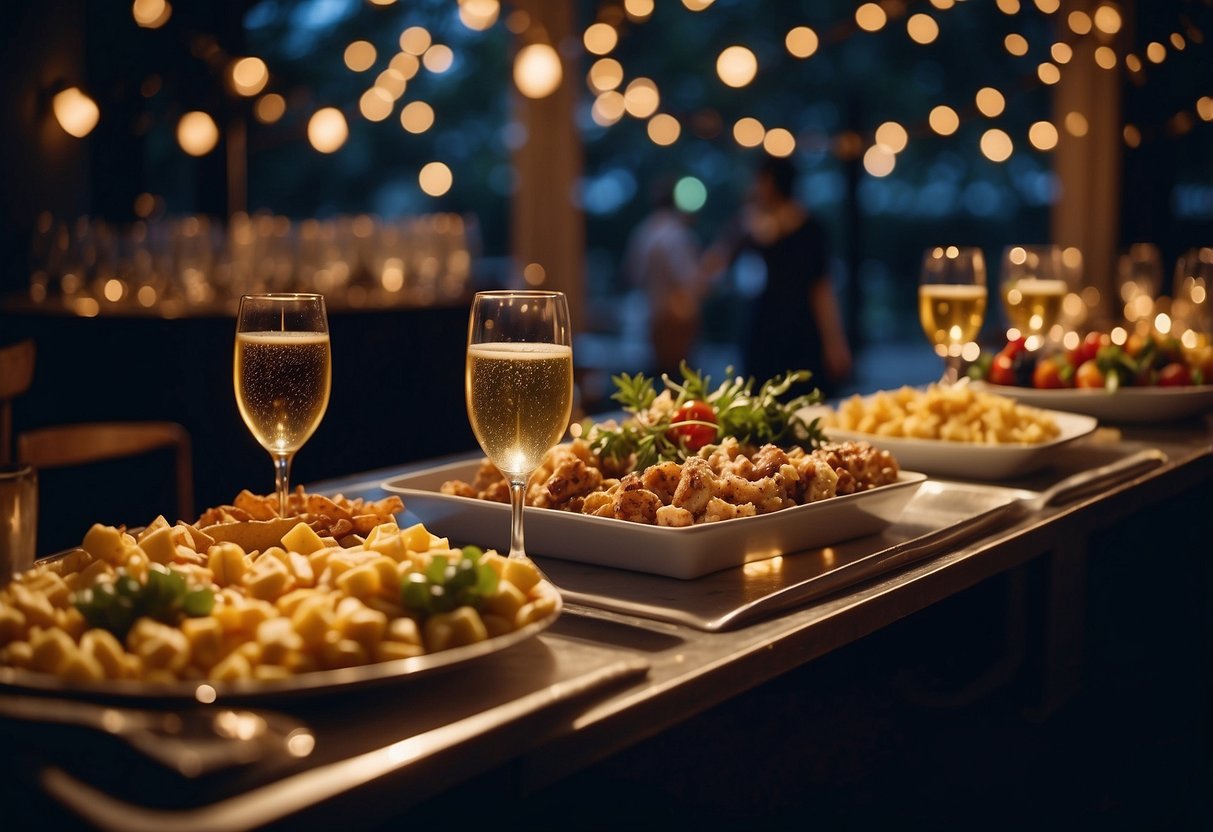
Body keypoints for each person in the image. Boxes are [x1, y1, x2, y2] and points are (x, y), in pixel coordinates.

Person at [707, 154, 852, 398]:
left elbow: (821, 289)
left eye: (758, 180)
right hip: (763, 333)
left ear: (771, 182)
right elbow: (714, 268)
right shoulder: (748, 224)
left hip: (799, 334)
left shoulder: (809, 227)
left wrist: (834, 342)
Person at [622, 177, 708, 379]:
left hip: (652, 315)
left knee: (658, 375)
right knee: (680, 376)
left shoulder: (643, 232)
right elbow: (690, 279)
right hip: (677, 319)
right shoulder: (677, 234)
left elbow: (632, 275)